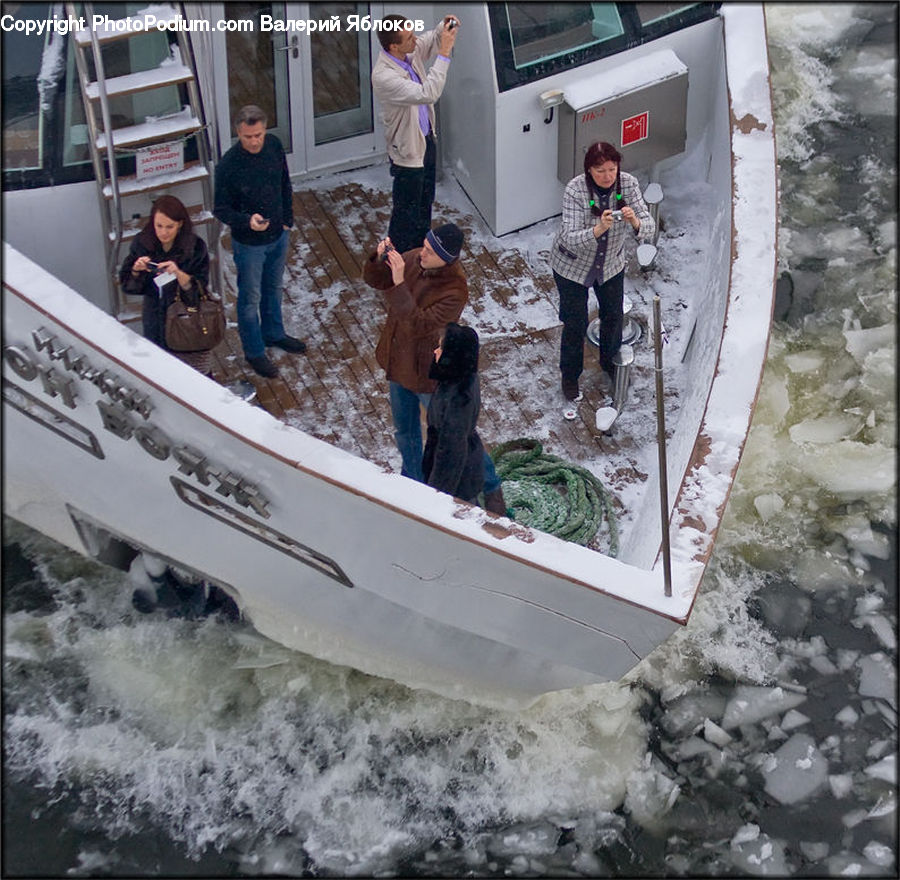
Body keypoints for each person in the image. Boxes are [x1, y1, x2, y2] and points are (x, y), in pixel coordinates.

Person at [362, 223, 507, 515]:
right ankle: (416, 485)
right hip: (398, 363)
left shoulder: (455, 290)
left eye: (430, 251)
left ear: (447, 258)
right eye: (425, 246)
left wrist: (400, 282)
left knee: (461, 435)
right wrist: (379, 260)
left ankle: (491, 487)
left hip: (428, 374)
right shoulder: (416, 257)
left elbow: (419, 326)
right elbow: (377, 281)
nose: (421, 253)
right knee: (405, 432)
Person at [551, 140, 655, 408]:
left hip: (610, 265)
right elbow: (570, 237)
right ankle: (570, 377)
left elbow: (649, 228)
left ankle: (610, 364)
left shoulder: (628, 184)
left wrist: (635, 221)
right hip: (572, 267)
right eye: (601, 172)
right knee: (574, 323)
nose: (608, 176)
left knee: (613, 316)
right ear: (589, 172)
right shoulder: (575, 190)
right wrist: (598, 229)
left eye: (612, 169)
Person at [214, 104, 306, 379]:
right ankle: (254, 351)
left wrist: (287, 219)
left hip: (279, 233)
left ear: (265, 130)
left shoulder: (274, 146)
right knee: (250, 296)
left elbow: (284, 182)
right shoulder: (229, 165)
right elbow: (221, 209)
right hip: (249, 242)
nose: (254, 141)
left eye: (258, 135)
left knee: (274, 287)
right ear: (238, 134)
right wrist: (246, 221)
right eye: (248, 137)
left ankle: (274, 333)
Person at [372, 13, 458, 255]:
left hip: (425, 141)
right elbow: (428, 92)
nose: (415, 40)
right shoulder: (384, 76)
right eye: (409, 37)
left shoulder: (407, 53)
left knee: (424, 204)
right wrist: (444, 53)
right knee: (405, 215)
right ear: (393, 46)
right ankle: (396, 261)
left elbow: (429, 40)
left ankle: (420, 252)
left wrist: (445, 26)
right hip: (408, 153)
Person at [119, 194, 213, 375]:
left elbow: (200, 289)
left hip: (186, 319)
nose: (163, 232)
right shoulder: (142, 243)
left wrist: (179, 274)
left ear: (180, 224)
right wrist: (136, 270)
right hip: (156, 318)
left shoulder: (195, 248)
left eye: (169, 227)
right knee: (160, 370)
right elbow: (128, 286)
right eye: (159, 226)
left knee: (193, 373)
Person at [422, 323, 485, 504]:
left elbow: (450, 455)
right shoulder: (463, 376)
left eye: (441, 347)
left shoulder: (458, 399)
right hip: (467, 467)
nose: (435, 351)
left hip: (460, 480)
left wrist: (434, 497)